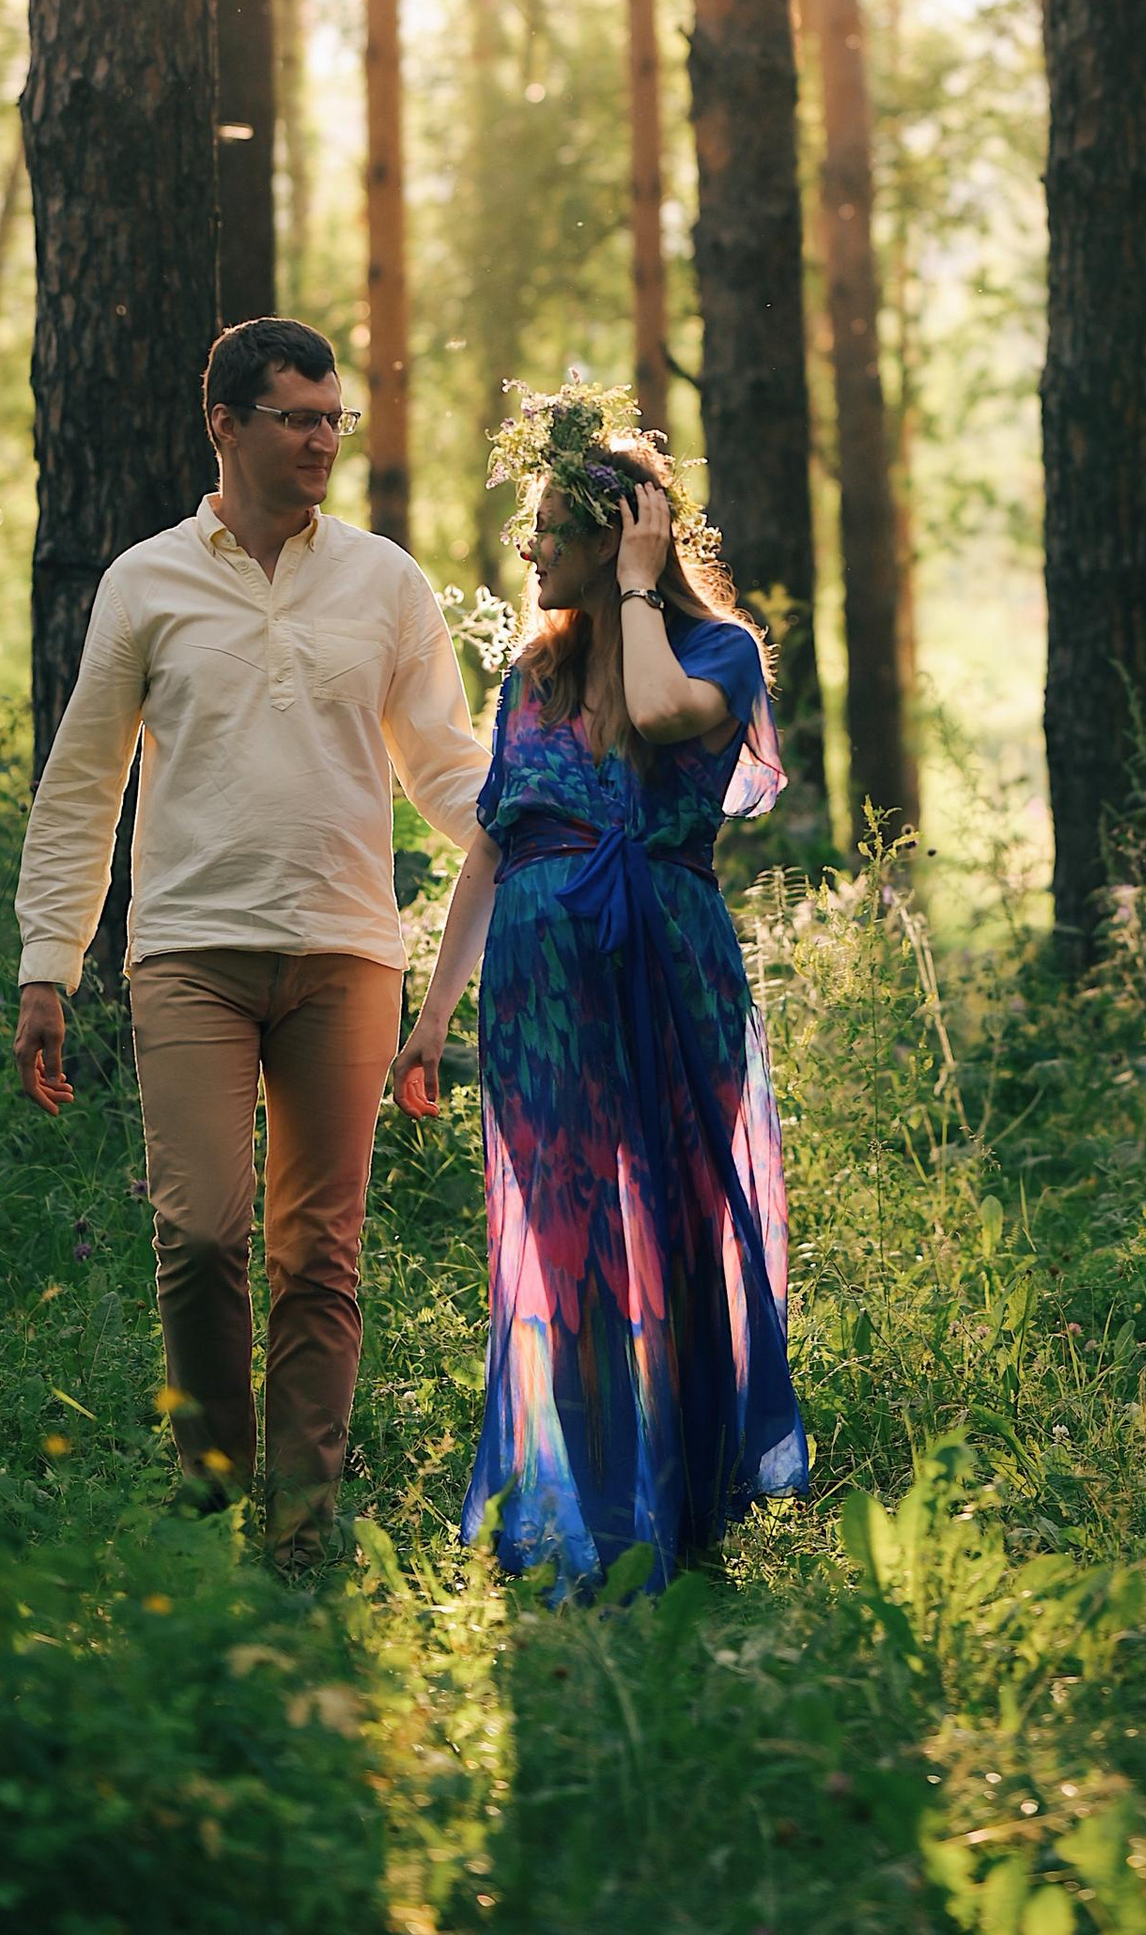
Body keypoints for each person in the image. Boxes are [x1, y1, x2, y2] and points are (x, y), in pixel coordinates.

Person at [13, 318, 490, 1566]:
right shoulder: (145, 581)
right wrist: (49, 962)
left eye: (334, 417)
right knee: (203, 1231)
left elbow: (448, 768)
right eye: (297, 417)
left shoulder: (386, 582)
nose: (324, 439)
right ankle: (212, 1483)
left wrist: (556, 828)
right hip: (190, 951)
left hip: (346, 951)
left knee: (320, 1252)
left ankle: (299, 1528)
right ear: (225, 424)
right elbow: (84, 782)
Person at [392, 384, 809, 1593]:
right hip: (540, 993)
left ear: (619, 537)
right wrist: (432, 1015)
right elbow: (489, 844)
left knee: (679, 1223)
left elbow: (663, 713)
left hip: (667, 971)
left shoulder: (716, 652)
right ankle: (592, 1517)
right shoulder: (532, 674)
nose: (527, 551)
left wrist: (637, 586)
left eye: (548, 531)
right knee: (564, 1237)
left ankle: (686, 1511)